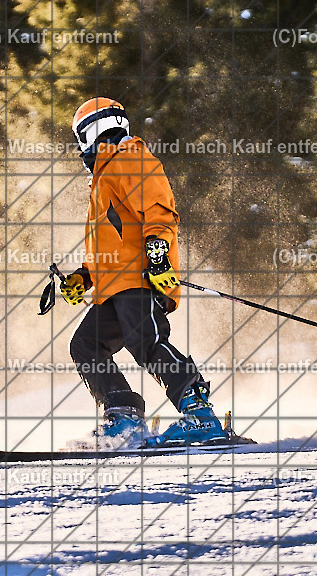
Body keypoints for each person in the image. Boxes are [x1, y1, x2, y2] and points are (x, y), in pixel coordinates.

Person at [60, 97, 230, 447]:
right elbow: (115, 239)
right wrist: (85, 276)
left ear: (90, 132)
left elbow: (159, 211)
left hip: (139, 278)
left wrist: (158, 253)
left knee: (146, 343)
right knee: (86, 345)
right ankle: (123, 415)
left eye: (81, 138)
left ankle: (199, 413)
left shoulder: (129, 157)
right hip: (113, 285)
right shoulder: (105, 173)